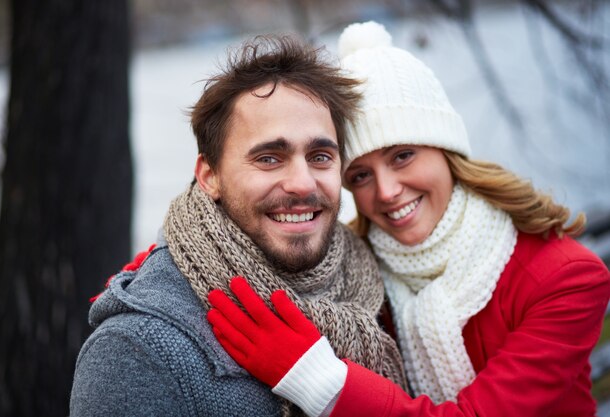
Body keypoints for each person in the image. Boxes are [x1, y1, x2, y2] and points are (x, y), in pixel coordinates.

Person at [207, 21, 610, 417]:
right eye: (360, 175)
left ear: (446, 150)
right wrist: (172, 257)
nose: (386, 191)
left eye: (402, 156)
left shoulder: (567, 278)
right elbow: (252, 248)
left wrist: (318, 380)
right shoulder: (361, 267)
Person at [69, 33, 408, 417]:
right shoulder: (136, 349)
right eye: (268, 158)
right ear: (209, 176)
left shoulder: (376, 284)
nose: (302, 183)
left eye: (320, 156)